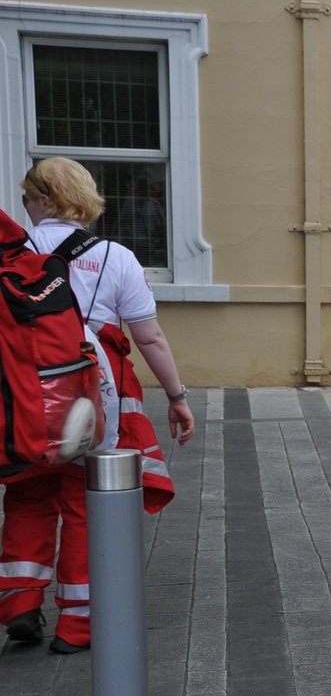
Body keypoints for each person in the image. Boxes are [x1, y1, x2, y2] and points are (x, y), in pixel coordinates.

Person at [1, 158, 194, 655]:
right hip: (93, 396)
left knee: (26, 495)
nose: (23, 206)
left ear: (44, 199)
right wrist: (176, 397)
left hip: (24, 398)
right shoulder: (116, 258)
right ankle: (79, 624)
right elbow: (148, 337)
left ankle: (20, 603)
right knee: (86, 504)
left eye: (27, 197)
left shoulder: (11, 254)